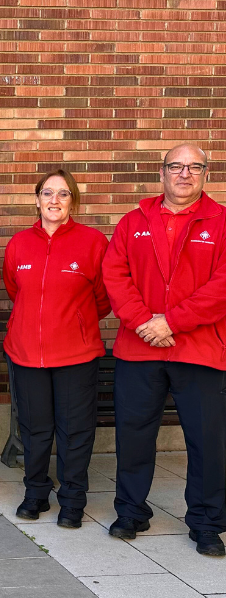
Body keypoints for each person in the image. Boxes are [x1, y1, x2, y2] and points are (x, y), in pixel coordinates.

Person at [103, 144, 226, 557]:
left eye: (194, 167)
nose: (184, 174)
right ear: (162, 173)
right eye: (176, 166)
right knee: (134, 435)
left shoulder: (221, 222)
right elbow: (115, 275)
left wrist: (170, 322)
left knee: (207, 440)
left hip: (201, 348)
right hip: (139, 349)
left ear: (206, 174)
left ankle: (207, 522)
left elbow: (221, 287)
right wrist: (144, 322)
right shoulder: (133, 222)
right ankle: (131, 511)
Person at [4, 170, 111, 528]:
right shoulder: (19, 244)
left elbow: (103, 299)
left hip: (76, 355)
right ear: (36, 200)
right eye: (47, 193)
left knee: (75, 430)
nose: (54, 200)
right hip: (27, 354)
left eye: (63, 194)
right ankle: (35, 492)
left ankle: (72, 500)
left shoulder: (93, 242)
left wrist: (73, 322)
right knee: (34, 429)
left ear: (72, 201)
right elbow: (16, 290)